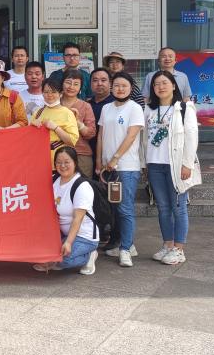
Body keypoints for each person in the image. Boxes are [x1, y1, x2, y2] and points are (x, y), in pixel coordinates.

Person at [143, 71, 200, 266]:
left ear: (174, 86)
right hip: (154, 164)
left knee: (178, 207)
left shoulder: (184, 108)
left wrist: (187, 163)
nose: (160, 87)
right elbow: (144, 139)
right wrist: (144, 163)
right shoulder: (149, 109)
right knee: (163, 207)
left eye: (165, 83)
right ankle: (167, 245)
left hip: (175, 165)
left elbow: (191, 137)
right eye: (156, 84)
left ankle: (179, 249)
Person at [95, 72, 145, 268]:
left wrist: (115, 158)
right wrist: (99, 161)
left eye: (124, 85)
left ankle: (125, 250)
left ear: (131, 88)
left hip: (126, 167)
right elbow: (101, 135)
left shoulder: (135, 108)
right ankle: (128, 244)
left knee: (125, 209)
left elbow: (131, 136)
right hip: (108, 168)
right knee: (115, 209)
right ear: (111, 87)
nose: (120, 88)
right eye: (116, 85)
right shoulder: (106, 108)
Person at [32, 147, 99, 275]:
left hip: (85, 236)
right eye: (58, 162)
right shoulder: (54, 181)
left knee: (63, 260)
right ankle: (56, 256)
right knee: (42, 254)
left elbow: (78, 218)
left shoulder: (82, 186)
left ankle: (89, 255)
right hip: (62, 234)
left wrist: (68, 242)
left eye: (67, 162)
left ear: (75, 162)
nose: (62, 166)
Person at [27, 78, 79, 162]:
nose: (49, 95)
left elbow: (72, 141)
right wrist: (32, 126)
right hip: (38, 158)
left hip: (58, 161)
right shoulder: (38, 112)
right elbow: (27, 138)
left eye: (53, 92)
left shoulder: (67, 113)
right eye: (46, 92)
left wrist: (56, 128)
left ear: (61, 94)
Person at [60, 69, 97, 177]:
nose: (71, 87)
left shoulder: (85, 106)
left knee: (83, 186)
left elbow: (91, 133)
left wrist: (78, 123)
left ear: (80, 88)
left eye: (76, 84)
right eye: (68, 82)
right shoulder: (54, 104)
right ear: (62, 84)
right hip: (57, 154)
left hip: (81, 155)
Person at [87, 67, 114, 158]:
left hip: (110, 154)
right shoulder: (86, 105)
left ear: (110, 83)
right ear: (90, 84)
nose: (99, 83)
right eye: (95, 80)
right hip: (89, 153)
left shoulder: (116, 104)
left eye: (103, 80)